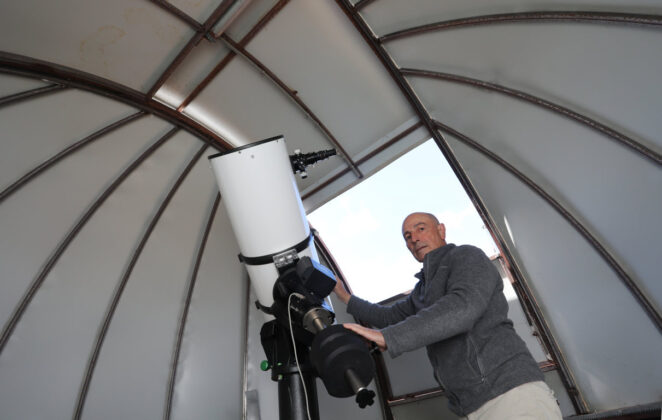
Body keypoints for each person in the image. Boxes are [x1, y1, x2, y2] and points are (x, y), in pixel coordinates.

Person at [333, 212, 562, 419]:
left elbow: (463, 307)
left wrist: (388, 337)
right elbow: (386, 316)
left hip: (510, 393)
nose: (414, 238)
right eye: (407, 236)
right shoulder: (422, 291)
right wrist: (343, 296)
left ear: (441, 230)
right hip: (469, 405)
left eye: (421, 228)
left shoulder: (466, 256)